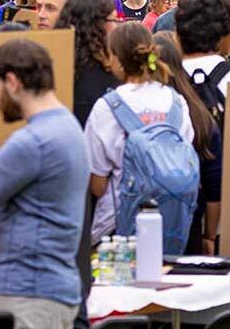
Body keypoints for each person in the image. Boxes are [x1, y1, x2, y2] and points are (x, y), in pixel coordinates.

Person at [0, 39, 89, 329]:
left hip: (24, 290)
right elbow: (33, 206)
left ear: (12, 82)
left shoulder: (28, 143)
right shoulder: (70, 129)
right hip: (57, 286)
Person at [85, 23, 198, 245]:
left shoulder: (108, 107)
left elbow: (97, 184)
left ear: (117, 59)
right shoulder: (176, 102)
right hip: (173, 222)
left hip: (117, 228)